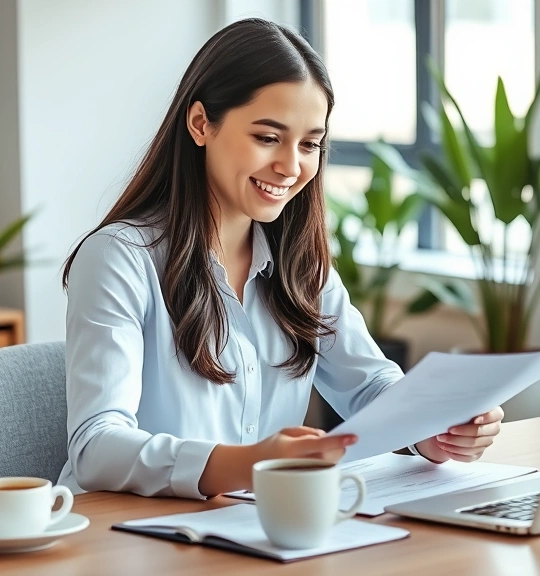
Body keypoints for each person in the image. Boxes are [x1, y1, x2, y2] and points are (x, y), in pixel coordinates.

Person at [57, 18, 504, 500]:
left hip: (250, 528)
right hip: (123, 537)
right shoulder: (120, 259)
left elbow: (370, 384)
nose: (291, 167)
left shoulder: (299, 266)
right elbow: (96, 447)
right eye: (268, 137)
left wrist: (432, 429)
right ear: (201, 123)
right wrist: (249, 464)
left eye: (310, 144)